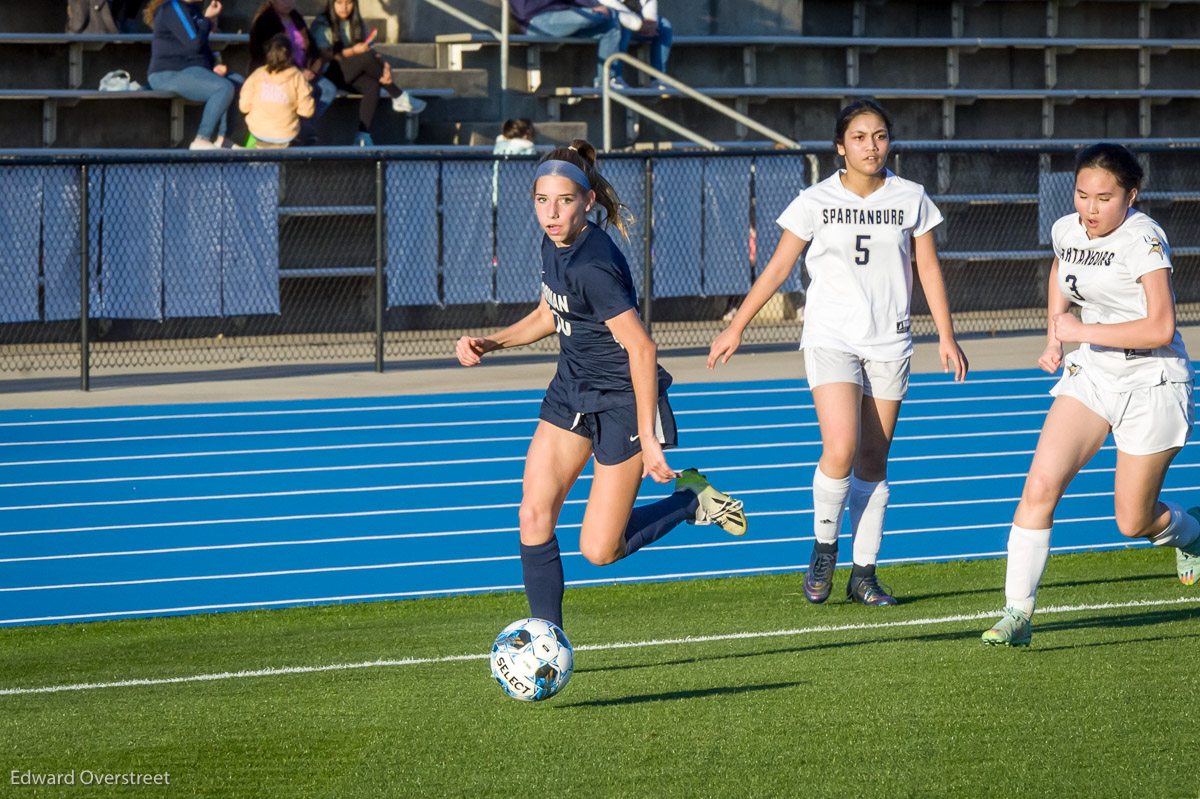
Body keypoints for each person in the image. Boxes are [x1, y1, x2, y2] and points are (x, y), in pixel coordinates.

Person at [455, 139, 748, 630]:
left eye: (564, 202)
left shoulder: (594, 265)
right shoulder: (554, 241)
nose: (551, 214)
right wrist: (493, 341)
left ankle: (689, 500)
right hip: (571, 390)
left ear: (588, 202)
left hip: (622, 403)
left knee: (600, 549)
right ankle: (545, 638)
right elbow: (553, 310)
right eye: (541, 201)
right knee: (533, 515)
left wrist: (650, 437)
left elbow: (642, 349)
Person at [707, 99, 968, 607]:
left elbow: (929, 270)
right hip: (831, 338)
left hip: (889, 340)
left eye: (880, 136)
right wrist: (737, 325)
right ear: (840, 147)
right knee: (841, 447)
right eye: (860, 137)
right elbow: (779, 267)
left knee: (874, 460)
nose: (871, 146)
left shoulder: (911, 197)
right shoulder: (815, 200)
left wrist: (947, 335)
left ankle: (864, 574)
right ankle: (825, 549)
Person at [982, 143, 1200, 647]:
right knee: (1040, 486)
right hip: (1092, 376)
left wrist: (1081, 330)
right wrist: (1056, 335)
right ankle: (1017, 614)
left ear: (1131, 197)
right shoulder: (1067, 228)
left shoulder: (1144, 239)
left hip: (1153, 383)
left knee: (1132, 519)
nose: (1090, 209)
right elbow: (1063, 266)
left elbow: (1162, 326)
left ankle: (1191, 534)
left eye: (1105, 198)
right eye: (1082, 195)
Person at [311, 0, 426, 147]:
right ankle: (397, 95)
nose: (344, 7)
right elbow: (323, 54)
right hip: (328, 72)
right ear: (332, 4)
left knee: (372, 84)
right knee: (366, 58)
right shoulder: (322, 22)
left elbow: (367, 50)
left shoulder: (356, 22)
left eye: (349, 3)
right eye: (339, 2)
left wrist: (384, 66)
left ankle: (363, 136)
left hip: (350, 72)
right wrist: (354, 51)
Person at [144, 0, 243, 150]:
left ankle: (223, 140)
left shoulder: (193, 10)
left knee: (237, 82)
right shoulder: (173, 7)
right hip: (168, 72)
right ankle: (201, 140)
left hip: (192, 69)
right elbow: (194, 44)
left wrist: (214, 65)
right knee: (223, 87)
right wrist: (208, 20)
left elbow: (202, 48)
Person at [249, 0, 335, 145]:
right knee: (299, 92)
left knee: (328, 89)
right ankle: (297, 132)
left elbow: (312, 48)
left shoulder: (296, 18)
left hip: (304, 73)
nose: (288, 2)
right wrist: (297, 72)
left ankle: (299, 129)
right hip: (277, 74)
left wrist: (313, 70)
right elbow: (267, 55)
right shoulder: (265, 20)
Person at [509, 1, 629, 89]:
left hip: (565, 16)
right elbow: (524, 10)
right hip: (535, 22)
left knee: (612, 23)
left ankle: (609, 80)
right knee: (593, 17)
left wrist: (594, 8)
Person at [239, 33, 314, 148]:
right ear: (290, 55)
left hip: (258, 131)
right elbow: (306, 111)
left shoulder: (257, 74)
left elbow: (244, 106)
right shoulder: (297, 77)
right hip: (285, 135)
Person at [598, 0, 672, 88]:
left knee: (664, 26)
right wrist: (639, 23)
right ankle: (613, 78)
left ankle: (658, 80)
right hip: (611, 19)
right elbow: (611, 5)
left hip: (638, 21)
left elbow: (649, 2)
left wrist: (650, 21)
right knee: (621, 26)